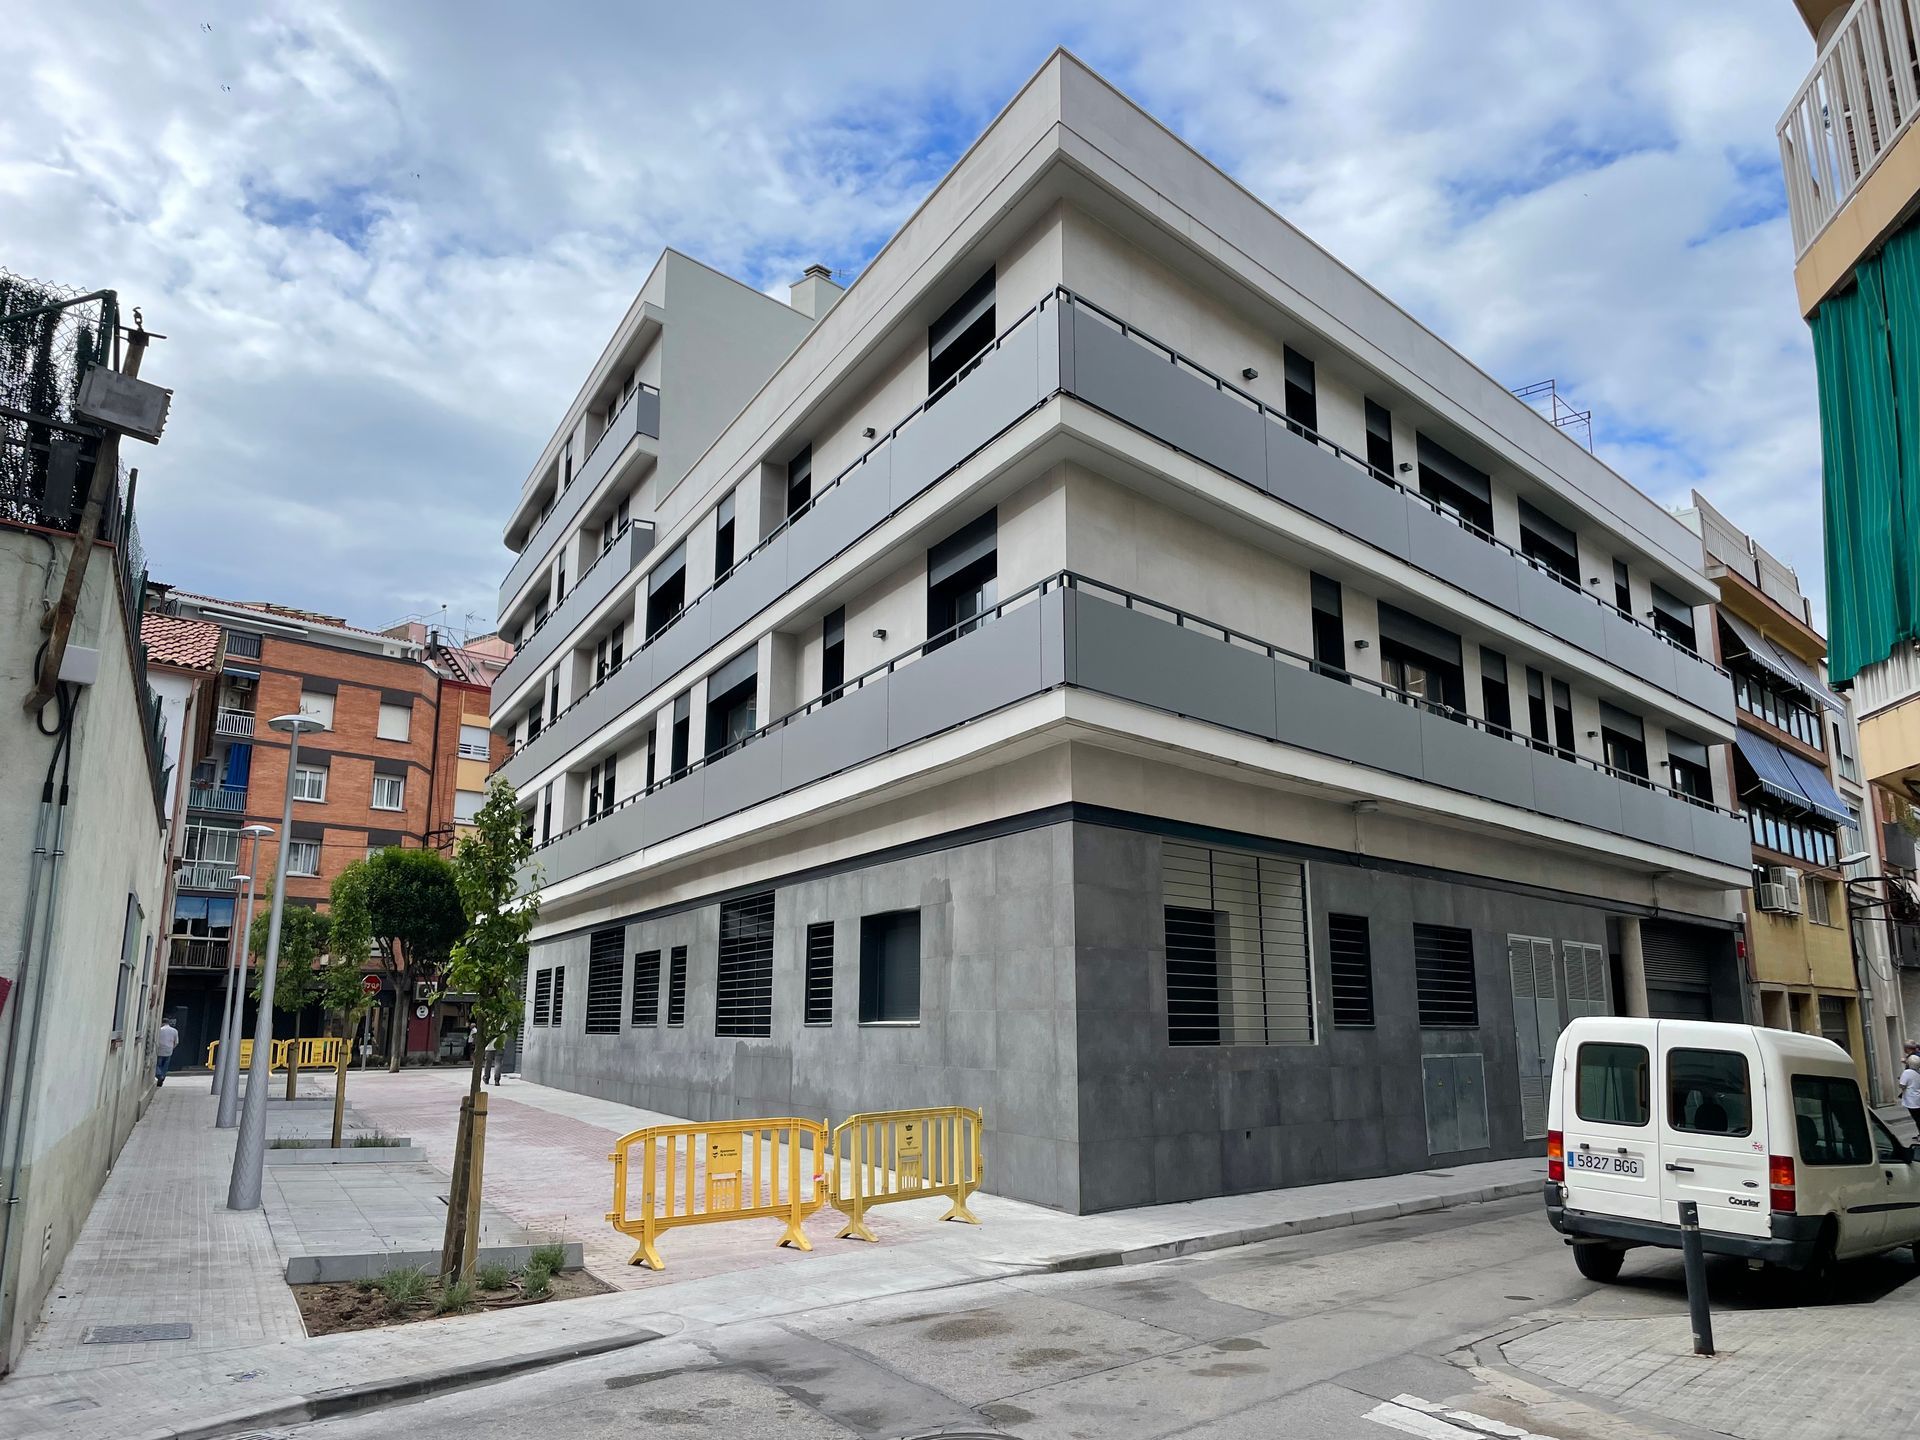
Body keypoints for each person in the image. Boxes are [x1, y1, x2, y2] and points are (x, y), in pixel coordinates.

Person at [154, 1017, 180, 1086]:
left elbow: (155, 1040)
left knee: (157, 1065)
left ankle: (159, 1076)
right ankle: (162, 1078)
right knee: (165, 1066)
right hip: (169, 1050)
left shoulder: (160, 1030)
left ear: (162, 1023)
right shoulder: (174, 1031)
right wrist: (172, 1048)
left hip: (160, 1050)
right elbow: (176, 1042)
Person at [1901, 1051, 1920, 1141]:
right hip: (1918, 1098)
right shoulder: (1918, 1072)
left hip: (1911, 1100)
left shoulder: (1907, 1072)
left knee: (1917, 1118)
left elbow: (1902, 1085)